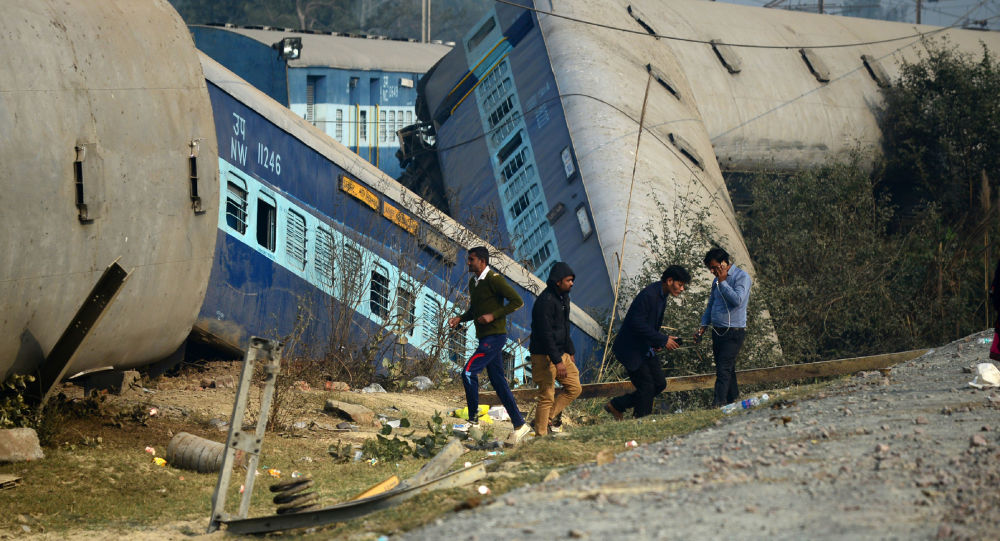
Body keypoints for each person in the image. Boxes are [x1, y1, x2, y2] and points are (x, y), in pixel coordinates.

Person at [448, 246, 531, 446]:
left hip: (494, 337)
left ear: (482, 262)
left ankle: (473, 422)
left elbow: (517, 301)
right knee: (498, 382)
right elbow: (475, 310)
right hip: (484, 337)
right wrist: (461, 318)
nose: (468, 262)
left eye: (471, 259)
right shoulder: (474, 283)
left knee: (468, 372)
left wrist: (494, 315)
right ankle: (520, 425)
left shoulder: (495, 280)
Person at [605, 265, 690, 420]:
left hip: (645, 347)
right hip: (631, 349)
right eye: (680, 284)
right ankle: (641, 421)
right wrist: (663, 339)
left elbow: (650, 325)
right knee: (647, 387)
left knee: (659, 384)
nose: (682, 289)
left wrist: (657, 342)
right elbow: (636, 323)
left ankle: (617, 405)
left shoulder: (662, 296)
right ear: (670, 281)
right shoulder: (649, 295)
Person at [529, 262, 583, 436]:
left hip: (561, 353)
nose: (572, 283)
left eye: (572, 280)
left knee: (575, 388)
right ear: (558, 281)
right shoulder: (545, 302)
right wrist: (557, 361)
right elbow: (546, 336)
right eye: (569, 280)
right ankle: (541, 435)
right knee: (546, 396)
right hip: (544, 356)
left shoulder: (563, 298)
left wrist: (570, 350)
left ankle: (546, 419)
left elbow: (564, 326)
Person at [695, 247, 752, 407]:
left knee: (723, 368)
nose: (713, 271)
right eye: (710, 268)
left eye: (714, 267)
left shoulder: (741, 277)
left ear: (724, 263)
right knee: (727, 367)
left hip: (734, 332)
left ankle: (718, 402)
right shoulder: (715, 281)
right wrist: (703, 326)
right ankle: (733, 398)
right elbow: (711, 305)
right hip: (718, 331)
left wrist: (724, 282)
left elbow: (738, 300)